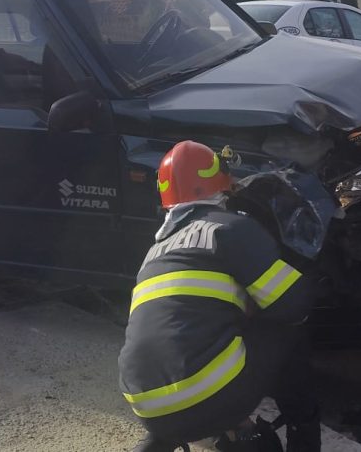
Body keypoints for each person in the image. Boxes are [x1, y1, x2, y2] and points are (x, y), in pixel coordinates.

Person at [119, 141, 322, 452]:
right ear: (222, 186)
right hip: (209, 400)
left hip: (146, 406)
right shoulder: (232, 229)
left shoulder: (155, 252)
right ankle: (302, 434)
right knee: (288, 330)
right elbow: (292, 306)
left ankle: (159, 442)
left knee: (198, 343)